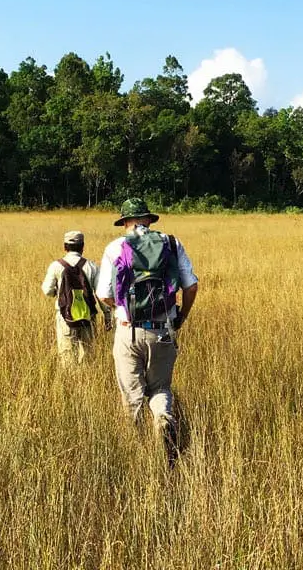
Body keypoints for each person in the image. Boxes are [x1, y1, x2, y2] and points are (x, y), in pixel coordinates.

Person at [96, 198, 198, 464]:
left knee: (132, 394)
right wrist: (181, 317)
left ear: (126, 222)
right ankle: (163, 420)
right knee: (160, 388)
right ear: (149, 220)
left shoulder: (116, 247)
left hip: (128, 331)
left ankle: (137, 451)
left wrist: (123, 309)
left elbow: (103, 293)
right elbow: (191, 287)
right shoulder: (171, 243)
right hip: (163, 329)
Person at [41, 230, 107, 365]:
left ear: (65, 247)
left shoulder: (56, 266)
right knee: (89, 356)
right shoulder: (92, 266)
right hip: (88, 317)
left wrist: (57, 293)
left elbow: (47, 290)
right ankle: (86, 382)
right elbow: (102, 294)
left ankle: (71, 382)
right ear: (83, 246)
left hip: (65, 317)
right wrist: (107, 316)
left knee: (67, 357)